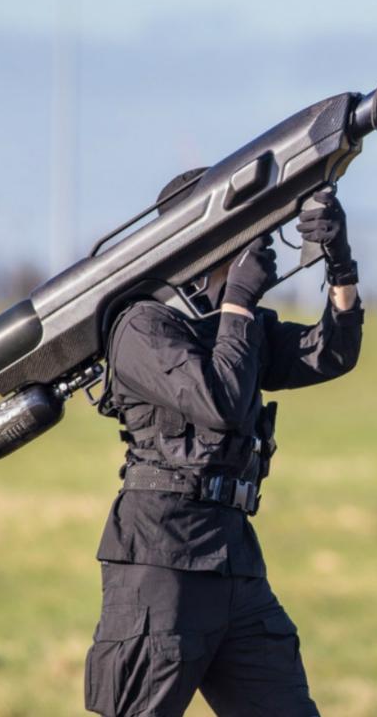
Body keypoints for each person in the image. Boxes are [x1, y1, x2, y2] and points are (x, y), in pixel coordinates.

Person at [83, 170, 362, 716]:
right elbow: (220, 402)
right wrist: (237, 302)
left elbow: (331, 354)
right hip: (161, 567)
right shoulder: (140, 327)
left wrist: (340, 263)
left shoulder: (236, 323)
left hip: (235, 564)